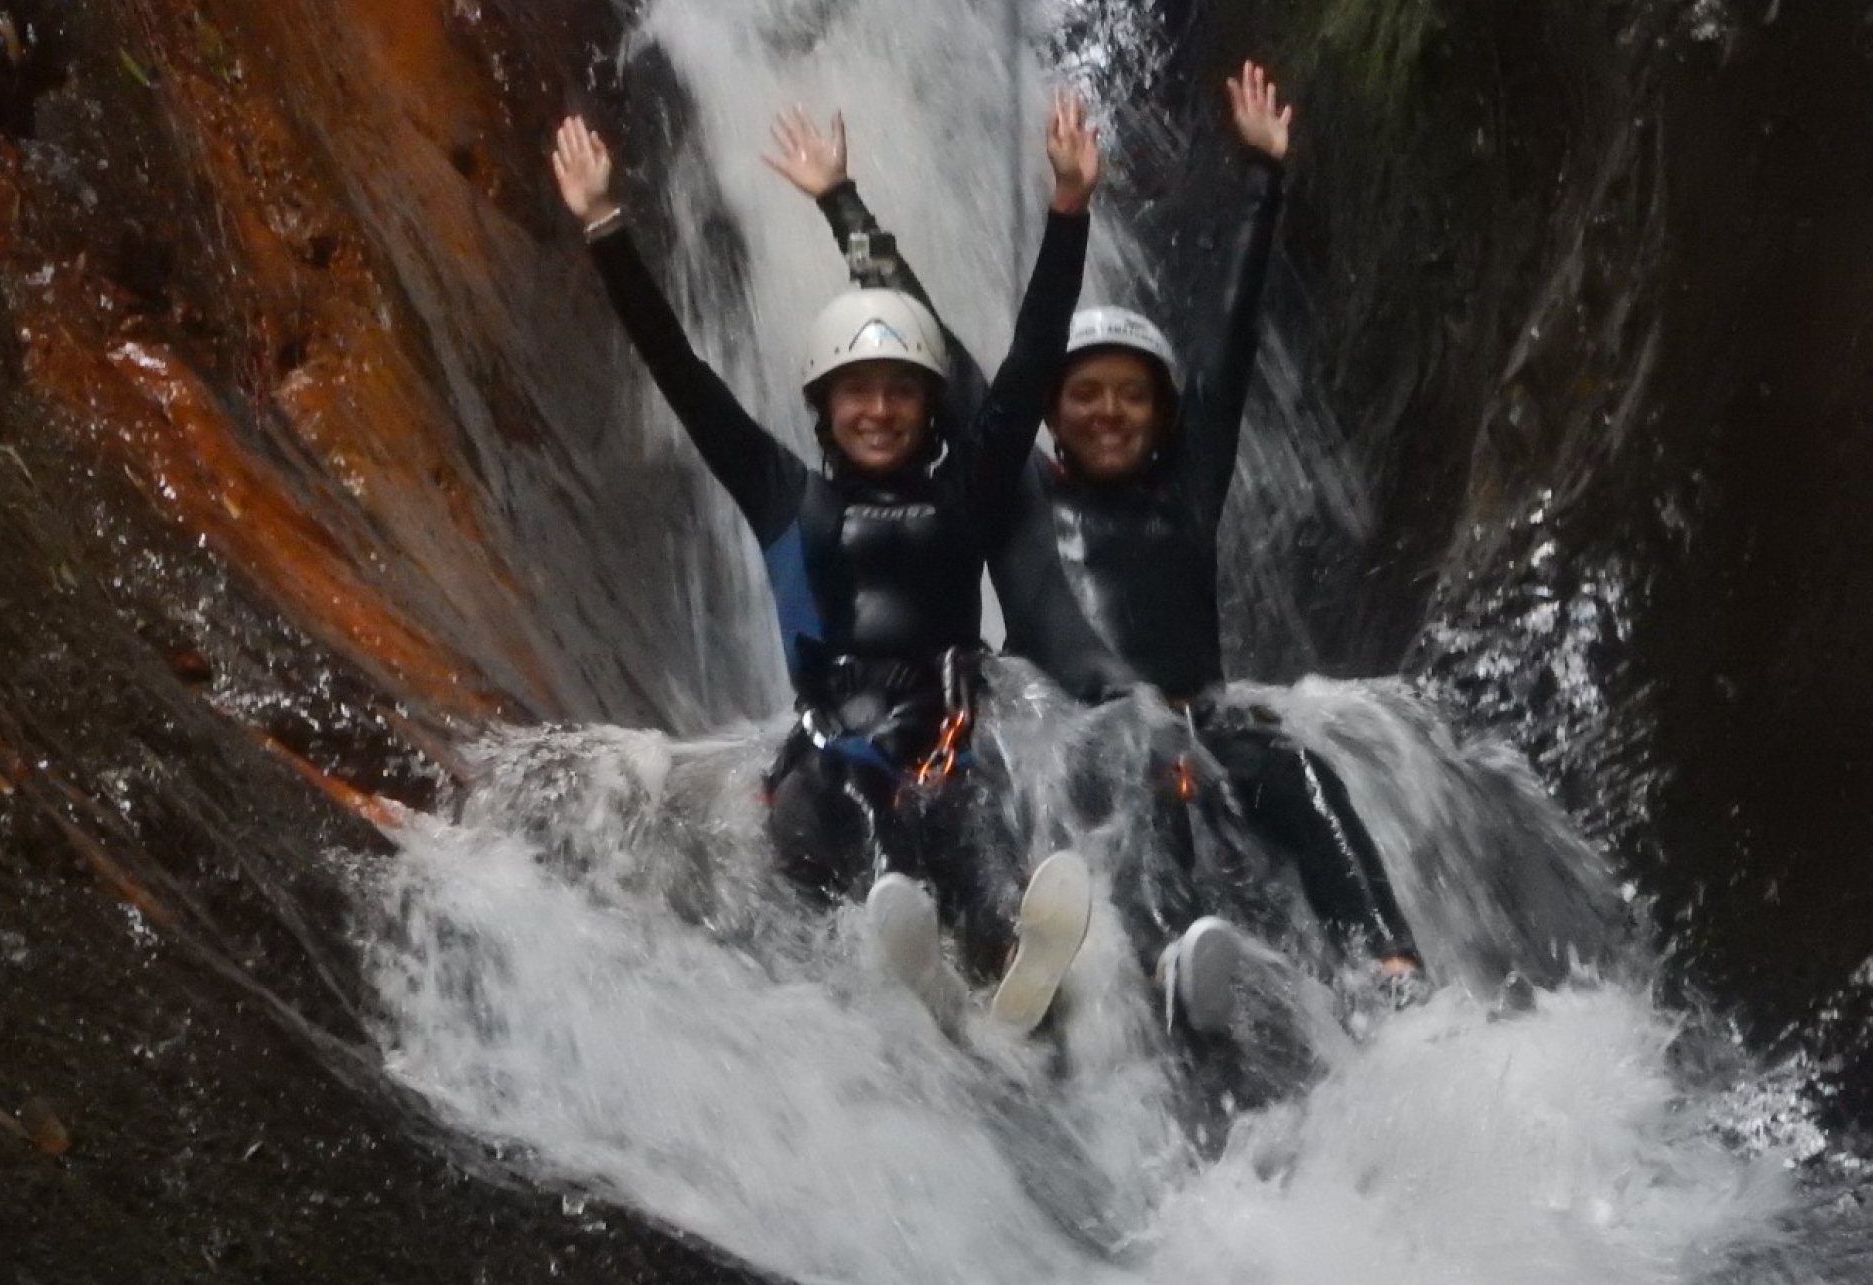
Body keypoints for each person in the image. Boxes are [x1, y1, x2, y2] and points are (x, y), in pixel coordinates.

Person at [765, 64, 1423, 1046]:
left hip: (1192, 725)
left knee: (1297, 773)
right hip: (1059, 738)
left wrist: (1265, 182)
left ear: (1162, 416)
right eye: (1085, 394)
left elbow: (1233, 338)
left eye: (1132, 395)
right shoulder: (1014, 488)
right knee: (1047, 766)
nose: (1108, 410)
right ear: (1052, 412)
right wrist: (839, 203)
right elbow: (935, 346)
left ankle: (1388, 969)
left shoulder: (1187, 486)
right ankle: (1026, 966)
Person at [550, 96, 1100, 1033]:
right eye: (856, 392)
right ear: (824, 406)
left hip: (945, 736)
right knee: (867, 784)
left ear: (929, 408)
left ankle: (1004, 949)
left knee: (971, 806)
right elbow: (681, 371)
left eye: (899, 391)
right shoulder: (783, 495)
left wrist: (1069, 208)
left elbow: (1030, 359)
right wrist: (606, 228)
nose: (878, 409)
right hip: (827, 766)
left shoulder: (965, 489)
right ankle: (911, 941)